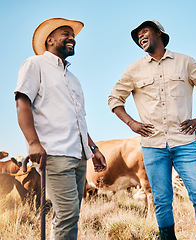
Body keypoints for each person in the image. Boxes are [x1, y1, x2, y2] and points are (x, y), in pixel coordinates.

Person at [108, 20, 196, 240]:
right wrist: (132, 123)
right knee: (161, 201)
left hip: (185, 142)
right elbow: (114, 99)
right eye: (138, 35)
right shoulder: (134, 69)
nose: (141, 36)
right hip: (152, 147)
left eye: (145, 31)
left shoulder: (184, 62)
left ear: (159, 33)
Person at [15, 18, 107, 240]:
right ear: (50, 40)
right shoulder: (35, 64)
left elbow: (78, 120)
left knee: (69, 216)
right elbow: (22, 102)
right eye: (66, 33)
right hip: (54, 153)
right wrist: (33, 143)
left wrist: (93, 148)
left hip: (79, 156)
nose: (72, 38)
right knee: (67, 215)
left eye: (73, 35)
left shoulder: (73, 79)